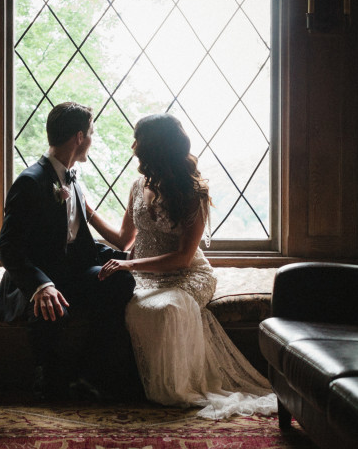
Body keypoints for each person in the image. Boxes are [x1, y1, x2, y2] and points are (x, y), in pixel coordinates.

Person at [87, 113, 277, 418]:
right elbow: (123, 240)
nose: (132, 144)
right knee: (130, 306)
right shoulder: (138, 186)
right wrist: (88, 212)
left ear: (155, 147)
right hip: (146, 277)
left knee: (166, 310)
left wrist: (129, 266)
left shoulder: (193, 191)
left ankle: (174, 390)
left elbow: (183, 257)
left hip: (188, 276)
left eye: (138, 138)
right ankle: (135, 384)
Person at [0, 101, 136, 401]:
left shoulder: (73, 179)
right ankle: (49, 383)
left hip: (74, 271)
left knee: (122, 281)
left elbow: (74, 238)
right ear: (80, 137)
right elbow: (7, 247)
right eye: (92, 134)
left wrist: (122, 261)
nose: (92, 141)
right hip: (42, 276)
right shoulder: (30, 182)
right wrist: (40, 285)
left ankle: (89, 372)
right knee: (51, 305)